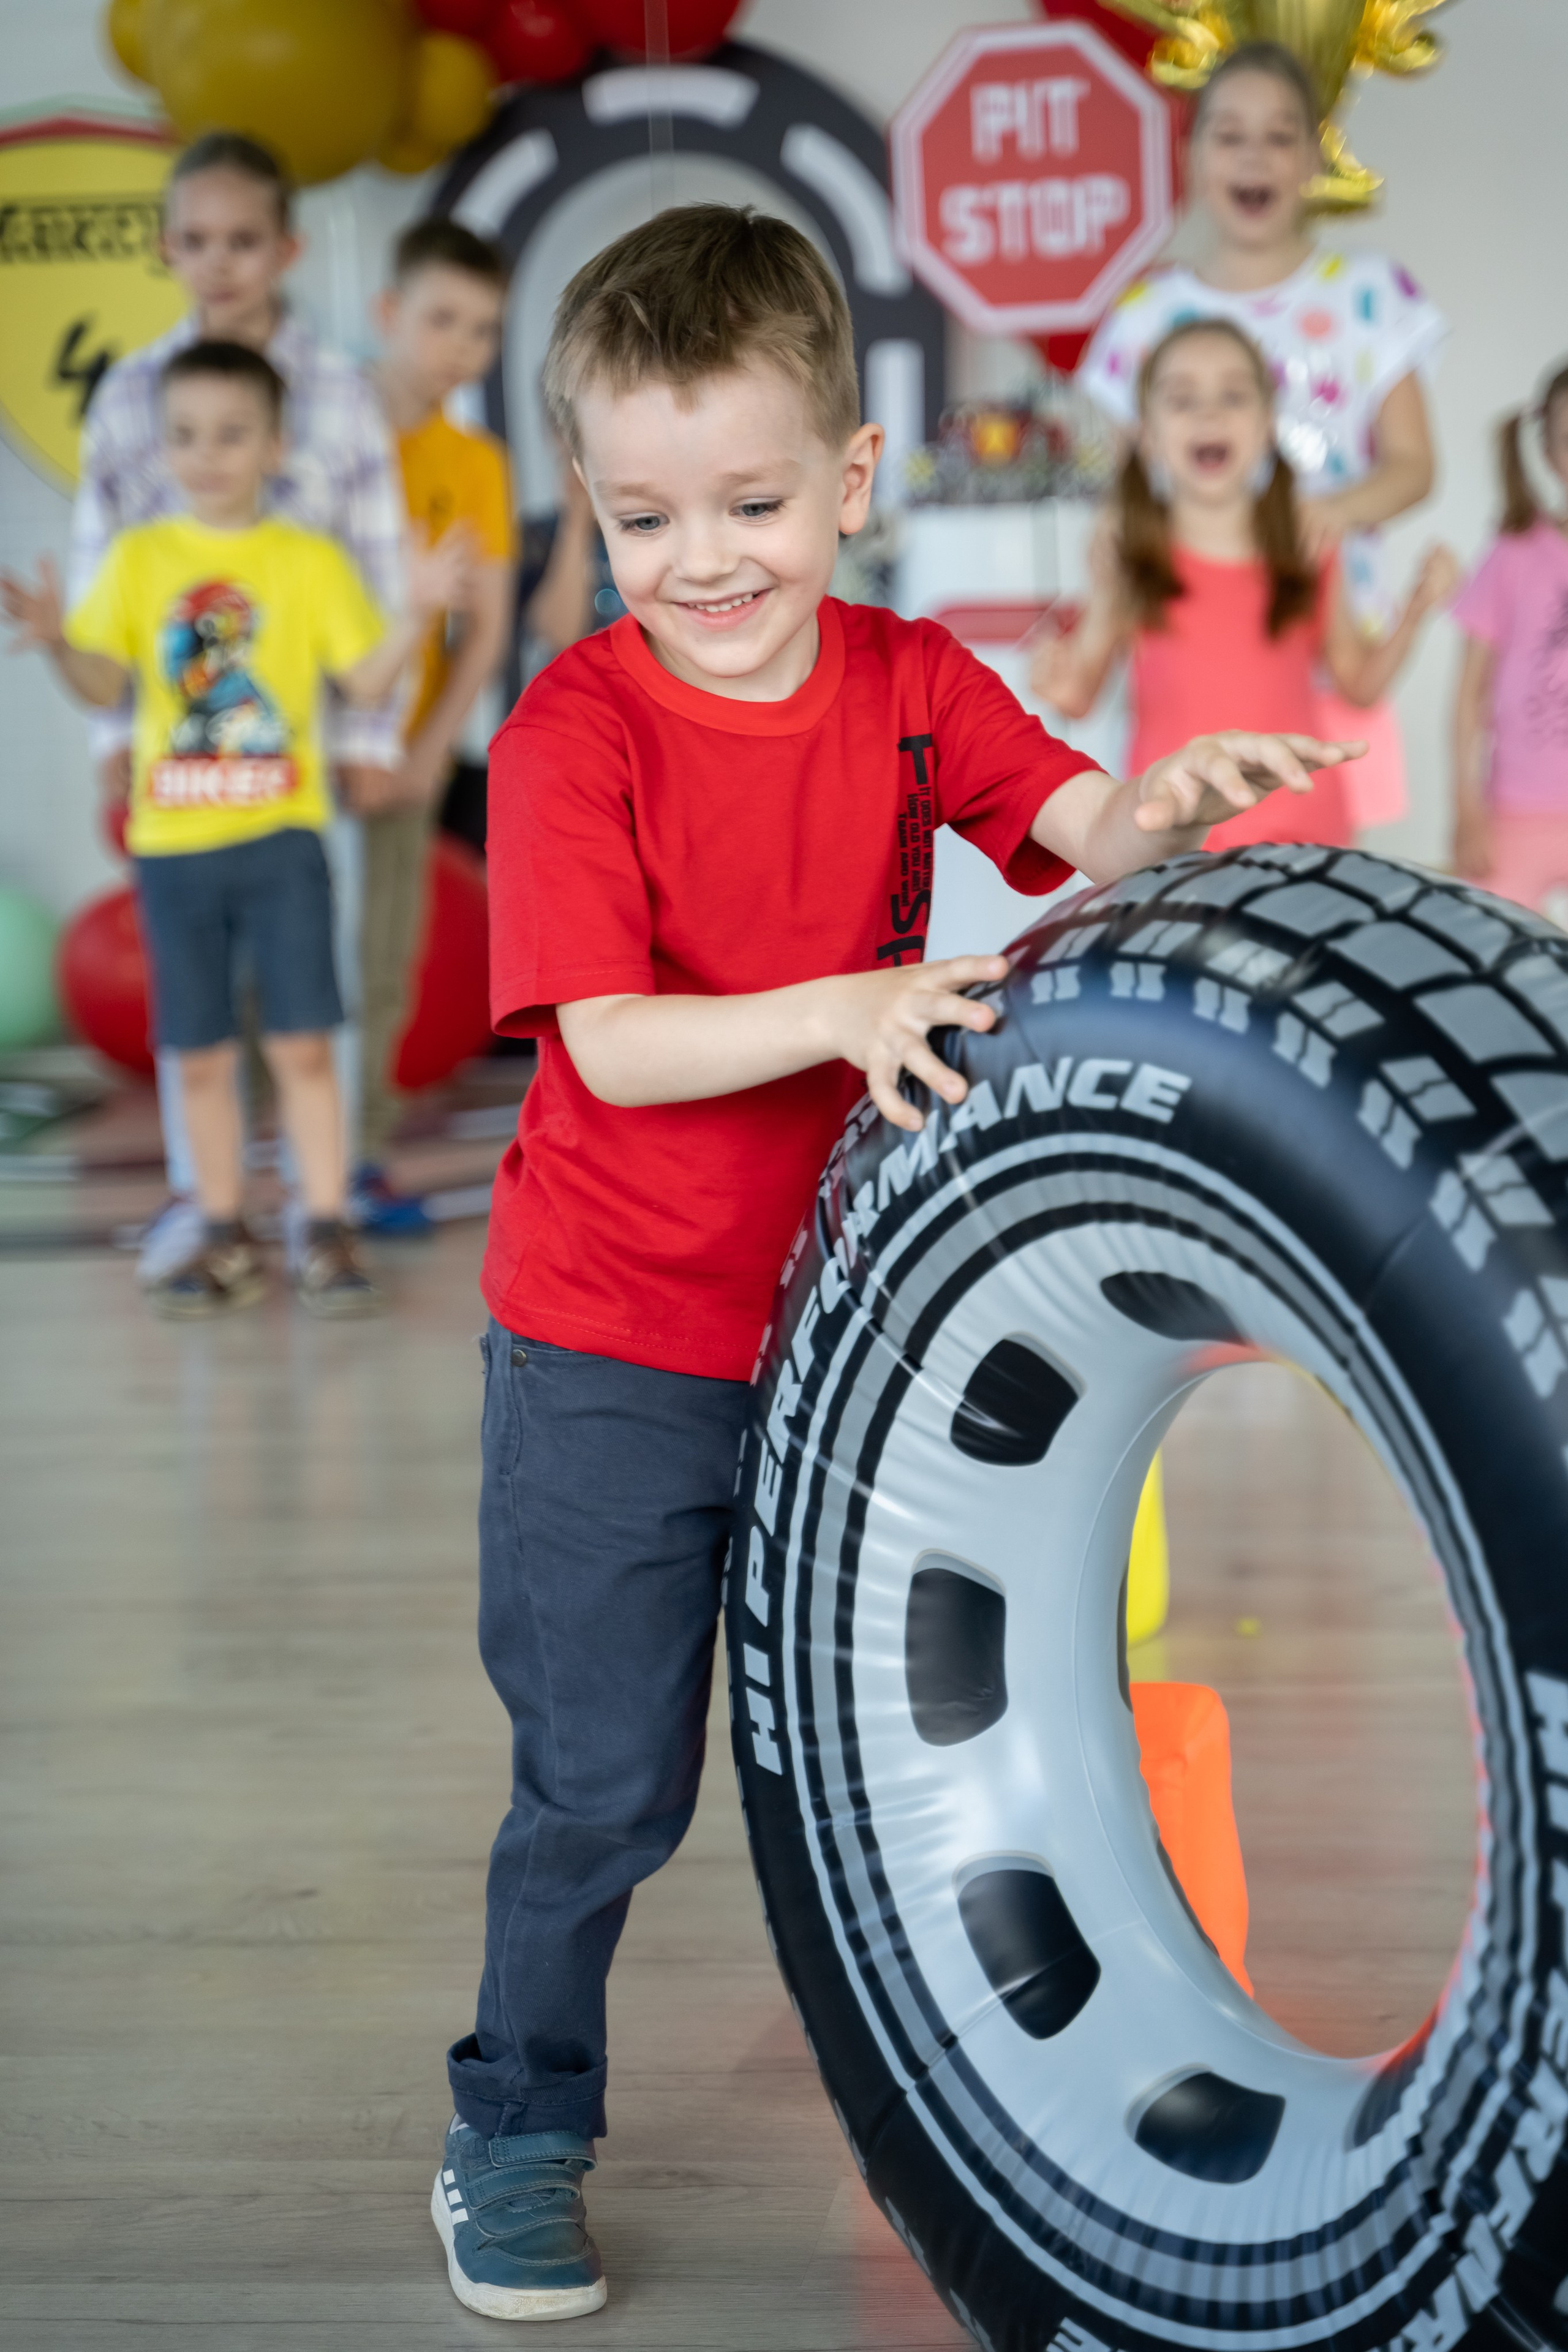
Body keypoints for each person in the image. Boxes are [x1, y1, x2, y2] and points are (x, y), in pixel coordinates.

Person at [431, 203, 1358, 2326]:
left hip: (854, 1332)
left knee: (901, 1749)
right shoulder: (577, 735)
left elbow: (1081, 825)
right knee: (603, 1786)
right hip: (615, 1346)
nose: (707, 558)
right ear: (591, 512)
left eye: (755, 500)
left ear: (852, 482)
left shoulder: (917, 683)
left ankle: (995, 2100)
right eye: (647, 514)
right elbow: (614, 1044)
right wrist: (851, 1009)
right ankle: (514, 2124)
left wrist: (1173, 799)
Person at [2, 343, 461, 1316]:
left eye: (230, 434)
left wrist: (417, 613)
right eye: (184, 436)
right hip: (173, 853)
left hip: (283, 842)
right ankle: (219, 1231)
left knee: (304, 1044)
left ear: (274, 443)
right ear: (161, 446)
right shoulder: (138, 559)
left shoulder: (305, 560)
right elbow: (106, 684)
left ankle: (325, 1225)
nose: (206, 454)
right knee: (200, 1053)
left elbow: (366, 680)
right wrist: (54, 645)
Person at [71, 130, 408, 1283]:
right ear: (169, 248)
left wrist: (372, 734)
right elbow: (100, 574)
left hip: (302, 766)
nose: (220, 264)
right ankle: (205, 1207)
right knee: (198, 1024)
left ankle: (330, 1201)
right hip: (179, 774)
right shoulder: (129, 394)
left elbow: (373, 555)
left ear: (285, 249)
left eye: (244, 242)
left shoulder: (337, 396)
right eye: (198, 242)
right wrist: (110, 740)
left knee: (317, 997)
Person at [1079, 38, 1447, 831]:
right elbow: (1127, 486)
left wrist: (1326, 518)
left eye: (1281, 135)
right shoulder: (1145, 311)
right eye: (1230, 134)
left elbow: (1415, 466)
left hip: (1322, 628)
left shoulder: (1369, 295)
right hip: (1190, 638)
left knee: (1316, 864)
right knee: (1191, 848)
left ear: (1316, 156)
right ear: (1192, 153)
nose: (1255, 156)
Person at [1038, 318, 1455, 848]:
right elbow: (1078, 694)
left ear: (1266, 426)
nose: (1209, 413)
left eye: (1233, 396)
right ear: (1146, 436)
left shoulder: (1309, 549)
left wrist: (1416, 610)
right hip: (1173, 840)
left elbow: (1359, 684)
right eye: (1183, 400)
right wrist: (1056, 675)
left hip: (1306, 837)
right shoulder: (1129, 559)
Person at [354, 218, 517, 1237]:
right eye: (440, 320)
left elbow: (486, 627)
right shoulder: (319, 435)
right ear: (388, 315)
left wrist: (424, 754)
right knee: (264, 974)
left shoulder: (475, 461)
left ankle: (359, 1160)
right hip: (290, 757)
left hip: (398, 760)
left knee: (381, 962)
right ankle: (239, 1182)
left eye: (483, 330)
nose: (460, 346)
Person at [1450, 364, 1568, 915]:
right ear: (1548, 452)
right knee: (1496, 970)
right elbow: (1470, 695)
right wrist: (1466, 809)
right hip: (1514, 813)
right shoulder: (1514, 552)